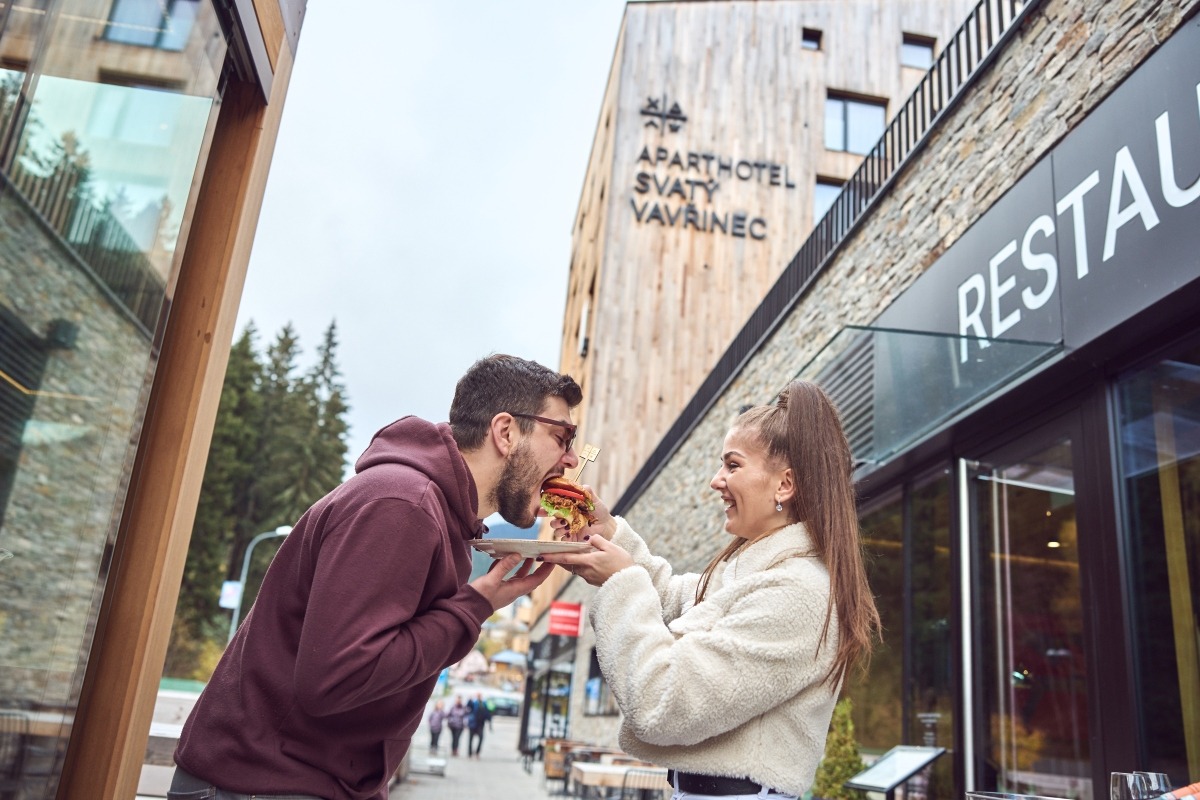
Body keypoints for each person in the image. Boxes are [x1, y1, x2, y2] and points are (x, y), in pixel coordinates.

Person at [171, 354, 583, 800]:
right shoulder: (401, 504)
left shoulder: (435, 513)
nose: (572, 458)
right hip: (259, 785)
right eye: (562, 437)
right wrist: (474, 605)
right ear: (505, 432)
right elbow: (337, 677)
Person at [541, 380, 881, 800]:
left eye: (732, 466)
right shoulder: (747, 571)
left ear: (784, 485)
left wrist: (620, 579)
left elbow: (663, 704)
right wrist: (608, 531)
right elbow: (671, 597)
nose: (715, 481)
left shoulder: (797, 593)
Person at [466, 692, 493, 758]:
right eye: (478, 696)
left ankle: (477, 752)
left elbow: (488, 713)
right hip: (473, 724)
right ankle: (470, 753)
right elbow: (468, 706)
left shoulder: (484, 704)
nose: (479, 697)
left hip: (480, 724)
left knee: (481, 738)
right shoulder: (474, 703)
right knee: (470, 739)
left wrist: (490, 724)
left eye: (480, 696)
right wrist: (470, 699)